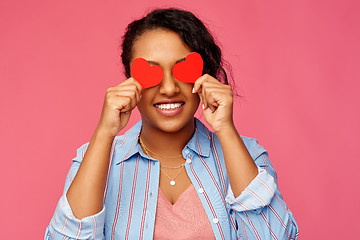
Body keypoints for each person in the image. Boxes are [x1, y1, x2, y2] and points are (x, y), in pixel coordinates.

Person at [45, 8, 299, 240]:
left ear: (203, 76)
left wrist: (226, 129)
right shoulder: (95, 160)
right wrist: (104, 133)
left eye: (182, 70)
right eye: (151, 72)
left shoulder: (249, 156)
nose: (168, 88)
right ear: (130, 81)